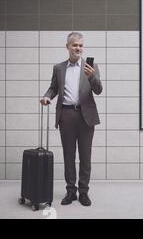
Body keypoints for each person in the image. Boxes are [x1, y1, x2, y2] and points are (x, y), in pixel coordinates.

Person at [40, 32, 102, 206]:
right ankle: (70, 191)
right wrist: (47, 97)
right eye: (75, 45)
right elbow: (53, 88)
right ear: (67, 46)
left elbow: (98, 90)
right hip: (66, 115)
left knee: (85, 156)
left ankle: (83, 192)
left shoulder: (91, 66)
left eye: (81, 45)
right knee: (68, 156)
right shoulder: (59, 68)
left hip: (86, 117)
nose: (78, 48)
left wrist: (92, 77)